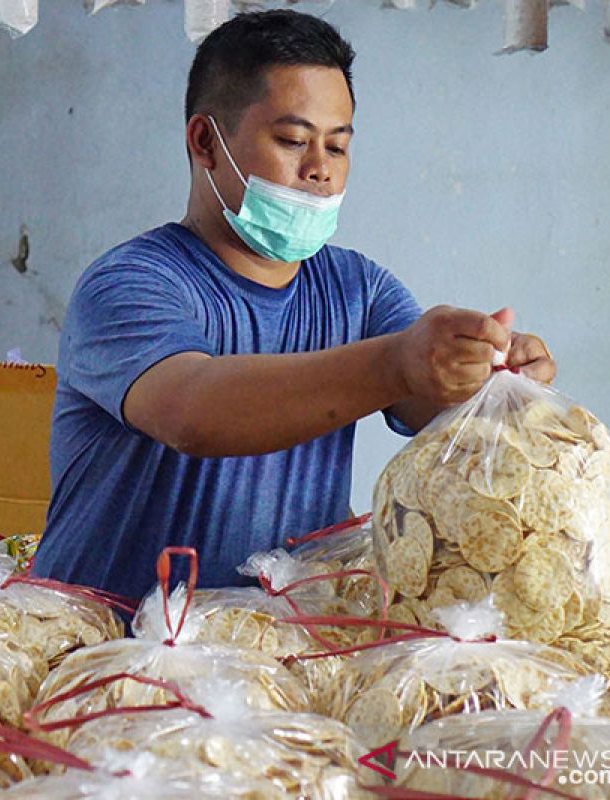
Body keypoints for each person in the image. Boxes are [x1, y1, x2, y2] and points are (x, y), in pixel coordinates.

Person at [30, 9, 555, 604]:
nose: (320, 171)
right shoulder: (128, 284)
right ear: (206, 141)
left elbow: (424, 402)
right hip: (115, 653)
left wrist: (489, 373)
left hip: (277, 655)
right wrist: (397, 363)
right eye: (293, 141)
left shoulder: (360, 289)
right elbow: (190, 411)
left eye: (338, 147)